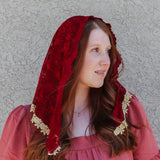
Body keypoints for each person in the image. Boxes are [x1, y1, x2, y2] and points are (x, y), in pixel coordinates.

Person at [0, 15, 159, 160]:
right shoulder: (26, 123)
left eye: (108, 51)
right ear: (69, 56)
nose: (106, 61)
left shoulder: (124, 111)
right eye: (95, 50)